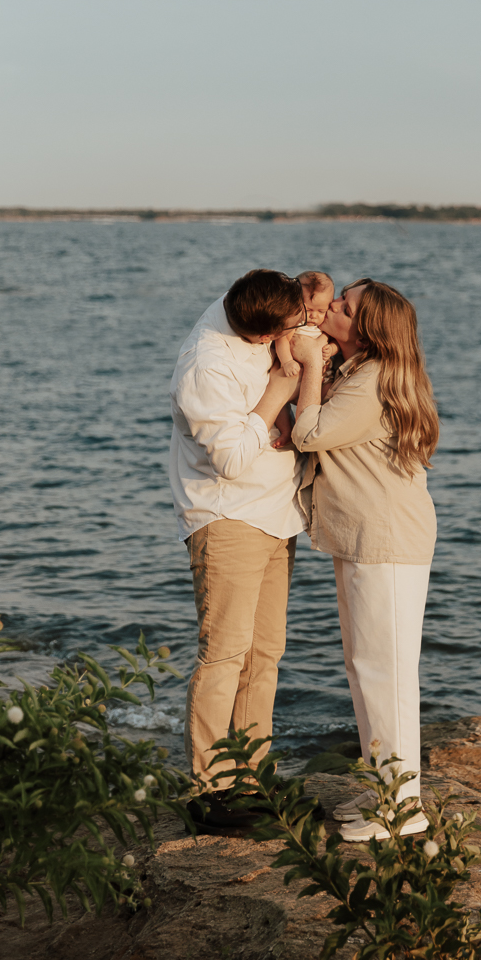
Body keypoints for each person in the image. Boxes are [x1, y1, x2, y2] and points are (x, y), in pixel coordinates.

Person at [288, 279, 439, 842]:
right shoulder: (360, 372)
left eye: (344, 307)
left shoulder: (372, 380)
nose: (332, 307)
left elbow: (309, 433)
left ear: (367, 330)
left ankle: (402, 811)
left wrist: (307, 366)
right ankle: (387, 794)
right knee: (365, 668)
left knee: (387, 673)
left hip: (387, 543)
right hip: (365, 538)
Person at [168, 269, 310, 831]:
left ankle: (253, 780)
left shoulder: (258, 305)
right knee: (224, 654)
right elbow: (229, 458)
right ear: (256, 333)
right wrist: (278, 390)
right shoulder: (206, 367)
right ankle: (207, 793)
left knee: (265, 653)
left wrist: (291, 341)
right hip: (228, 518)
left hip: (278, 515)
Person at [272, 271, 335, 378]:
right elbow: (282, 340)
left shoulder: (325, 323)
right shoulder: (296, 323)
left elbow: (335, 340)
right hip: (296, 368)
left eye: (321, 311)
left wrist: (332, 349)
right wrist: (287, 362)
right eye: (308, 310)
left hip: (322, 373)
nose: (314, 316)